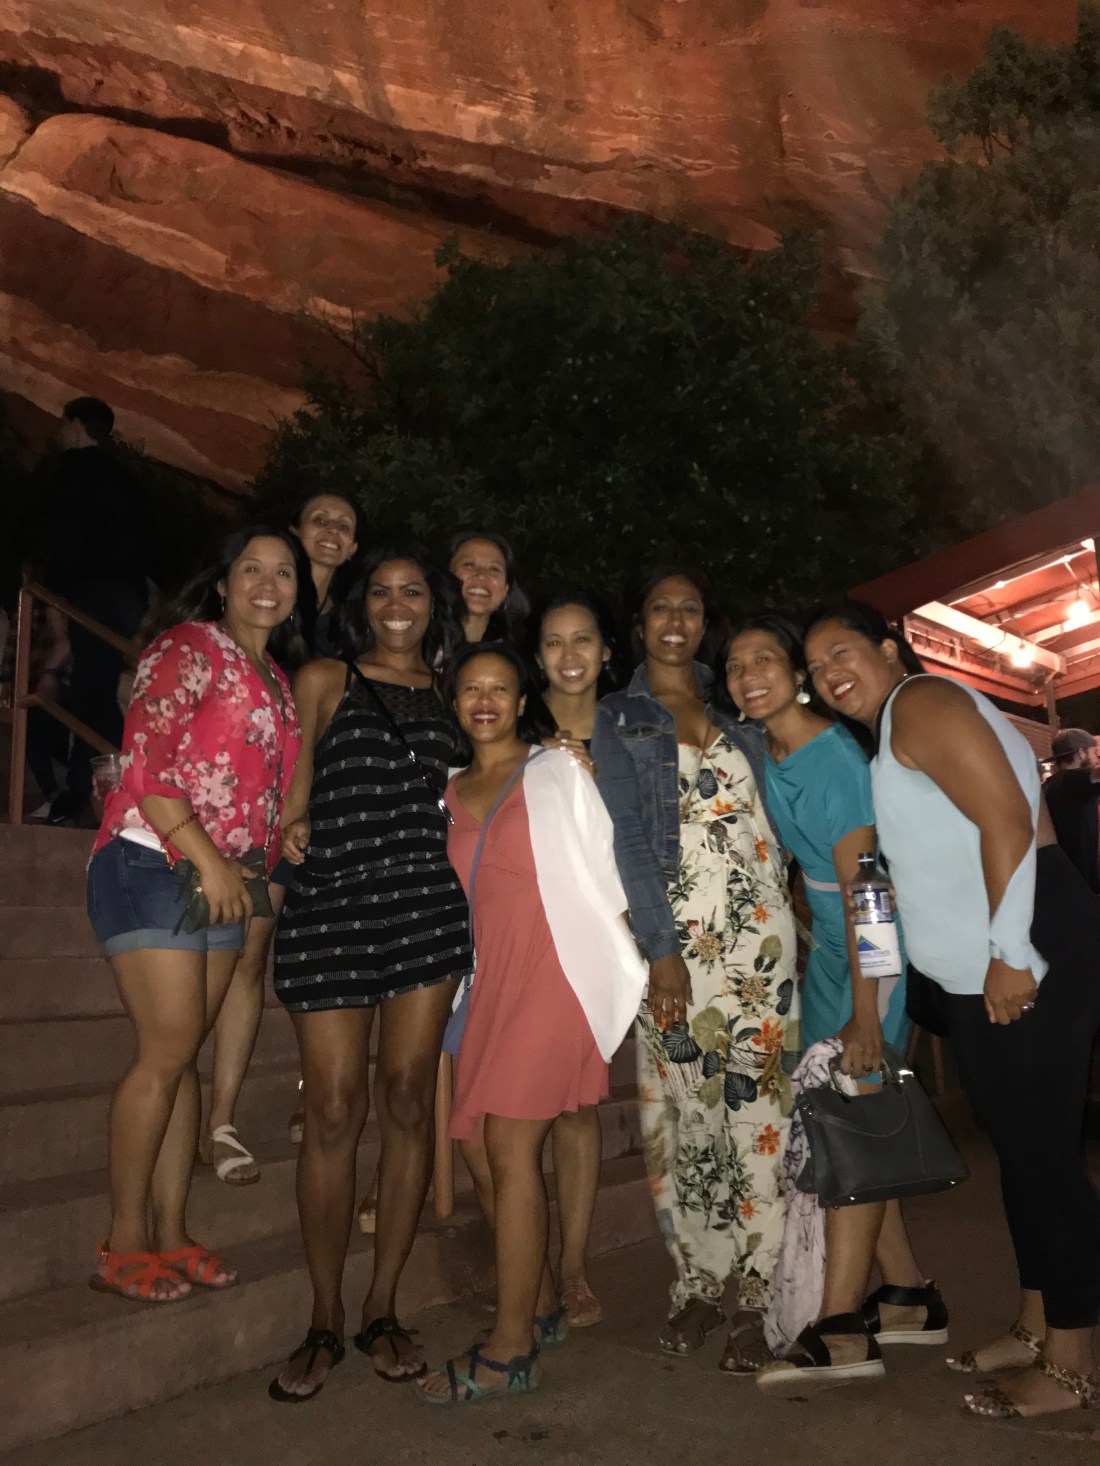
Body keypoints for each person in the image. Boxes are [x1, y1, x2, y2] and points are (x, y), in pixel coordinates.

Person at [804, 600, 1100, 1421]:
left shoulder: (923, 701)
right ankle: (1037, 1324)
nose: (829, 674)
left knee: (1044, 1158)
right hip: (987, 961)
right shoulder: (895, 731)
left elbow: (1008, 817)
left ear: (888, 649)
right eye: (816, 666)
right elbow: (907, 868)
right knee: (1023, 1154)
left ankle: (1074, 1361)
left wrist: (1010, 952)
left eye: (842, 651)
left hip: (1025, 946)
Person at [416, 644, 646, 1404]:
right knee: (477, 1144)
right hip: (490, 977)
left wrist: (638, 967)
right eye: (470, 688)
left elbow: (611, 870)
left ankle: (510, 1347)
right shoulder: (448, 789)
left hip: (557, 971)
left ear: (522, 702)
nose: (484, 700)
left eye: (500, 688)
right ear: (456, 702)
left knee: (511, 1146)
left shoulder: (556, 771)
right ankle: (540, 1300)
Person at [269, 542, 470, 1404]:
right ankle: (323, 1314)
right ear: (362, 604)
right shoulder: (326, 679)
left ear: (434, 605)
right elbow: (292, 795)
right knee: (332, 1107)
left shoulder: (456, 694)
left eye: (413, 591)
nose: (397, 604)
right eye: (382, 591)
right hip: (330, 909)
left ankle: (381, 1307)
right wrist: (290, 828)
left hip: (426, 910)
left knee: (407, 1097)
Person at [721, 614, 944, 1390]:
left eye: (765, 659)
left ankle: (842, 1327)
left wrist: (867, 1012)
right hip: (829, 950)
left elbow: (868, 894)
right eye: (735, 666)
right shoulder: (769, 748)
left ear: (799, 676)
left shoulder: (835, 760)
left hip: (869, 954)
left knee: (854, 1112)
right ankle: (908, 1295)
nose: (749, 674)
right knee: (849, 1126)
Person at [84, 527, 301, 1303]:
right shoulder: (187, 648)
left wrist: (278, 842)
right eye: (252, 568)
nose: (268, 583)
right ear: (223, 581)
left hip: (225, 877)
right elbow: (145, 763)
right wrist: (208, 862)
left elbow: (262, 788)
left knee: (184, 1057)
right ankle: (123, 1243)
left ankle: (171, 1232)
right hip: (153, 859)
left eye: (284, 571)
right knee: (167, 1050)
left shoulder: (277, 679)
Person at [591, 567, 798, 1374]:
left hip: (762, 947)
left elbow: (775, 823)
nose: (675, 620)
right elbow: (628, 841)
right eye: (659, 607)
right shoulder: (620, 715)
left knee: (760, 1111)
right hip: (676, 946)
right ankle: (700, 1282)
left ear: (705, 621)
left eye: (689, 608)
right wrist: (662, 950)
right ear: (639, 622)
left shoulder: (739, 712)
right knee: (686, 1115)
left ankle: (759, 1288)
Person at [198, 492, 361, 1187]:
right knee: (227, 963)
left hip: (295, 823)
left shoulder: (340, 630)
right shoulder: (222, 636)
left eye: (344, 525)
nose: (331, 531)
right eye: (319, 519)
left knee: (263, 956)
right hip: (214, 830)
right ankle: (203, 1114)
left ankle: (237, 1113)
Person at [525, 590, 623, 1328]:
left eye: (583, 639)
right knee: (521, 1109)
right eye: (554, 642)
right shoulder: (512, 730)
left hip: (598, 937)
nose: (569, 655)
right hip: (526, 932)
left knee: (579, 1107)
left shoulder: (632, 734)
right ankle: (525, 1264)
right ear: (537, 657)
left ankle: (573, 1268)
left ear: (606, 652)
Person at [26, 397, 153, 826]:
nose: (60, 431)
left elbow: (64, 539)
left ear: (77, 424)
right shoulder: (127, 479)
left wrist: (57, 600)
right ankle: (81, 792)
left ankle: (110, 784)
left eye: (64, 423)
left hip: (90, 593)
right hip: (127, 596)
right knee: (94, 688)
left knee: (91, 695)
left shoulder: (69, 474)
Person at [1042, 728, 1100, 894]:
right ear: (1081, 753)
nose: (1096, 758)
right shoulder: (1073, 780)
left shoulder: (1050, 784)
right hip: (1079, 883)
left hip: (1060, 881)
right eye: (1094, 752)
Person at [448, 531, 530, 644]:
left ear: (506, 590)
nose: (481, 575)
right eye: (469, 565)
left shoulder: (523, 649)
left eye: (494, 569)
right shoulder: (425, 643)